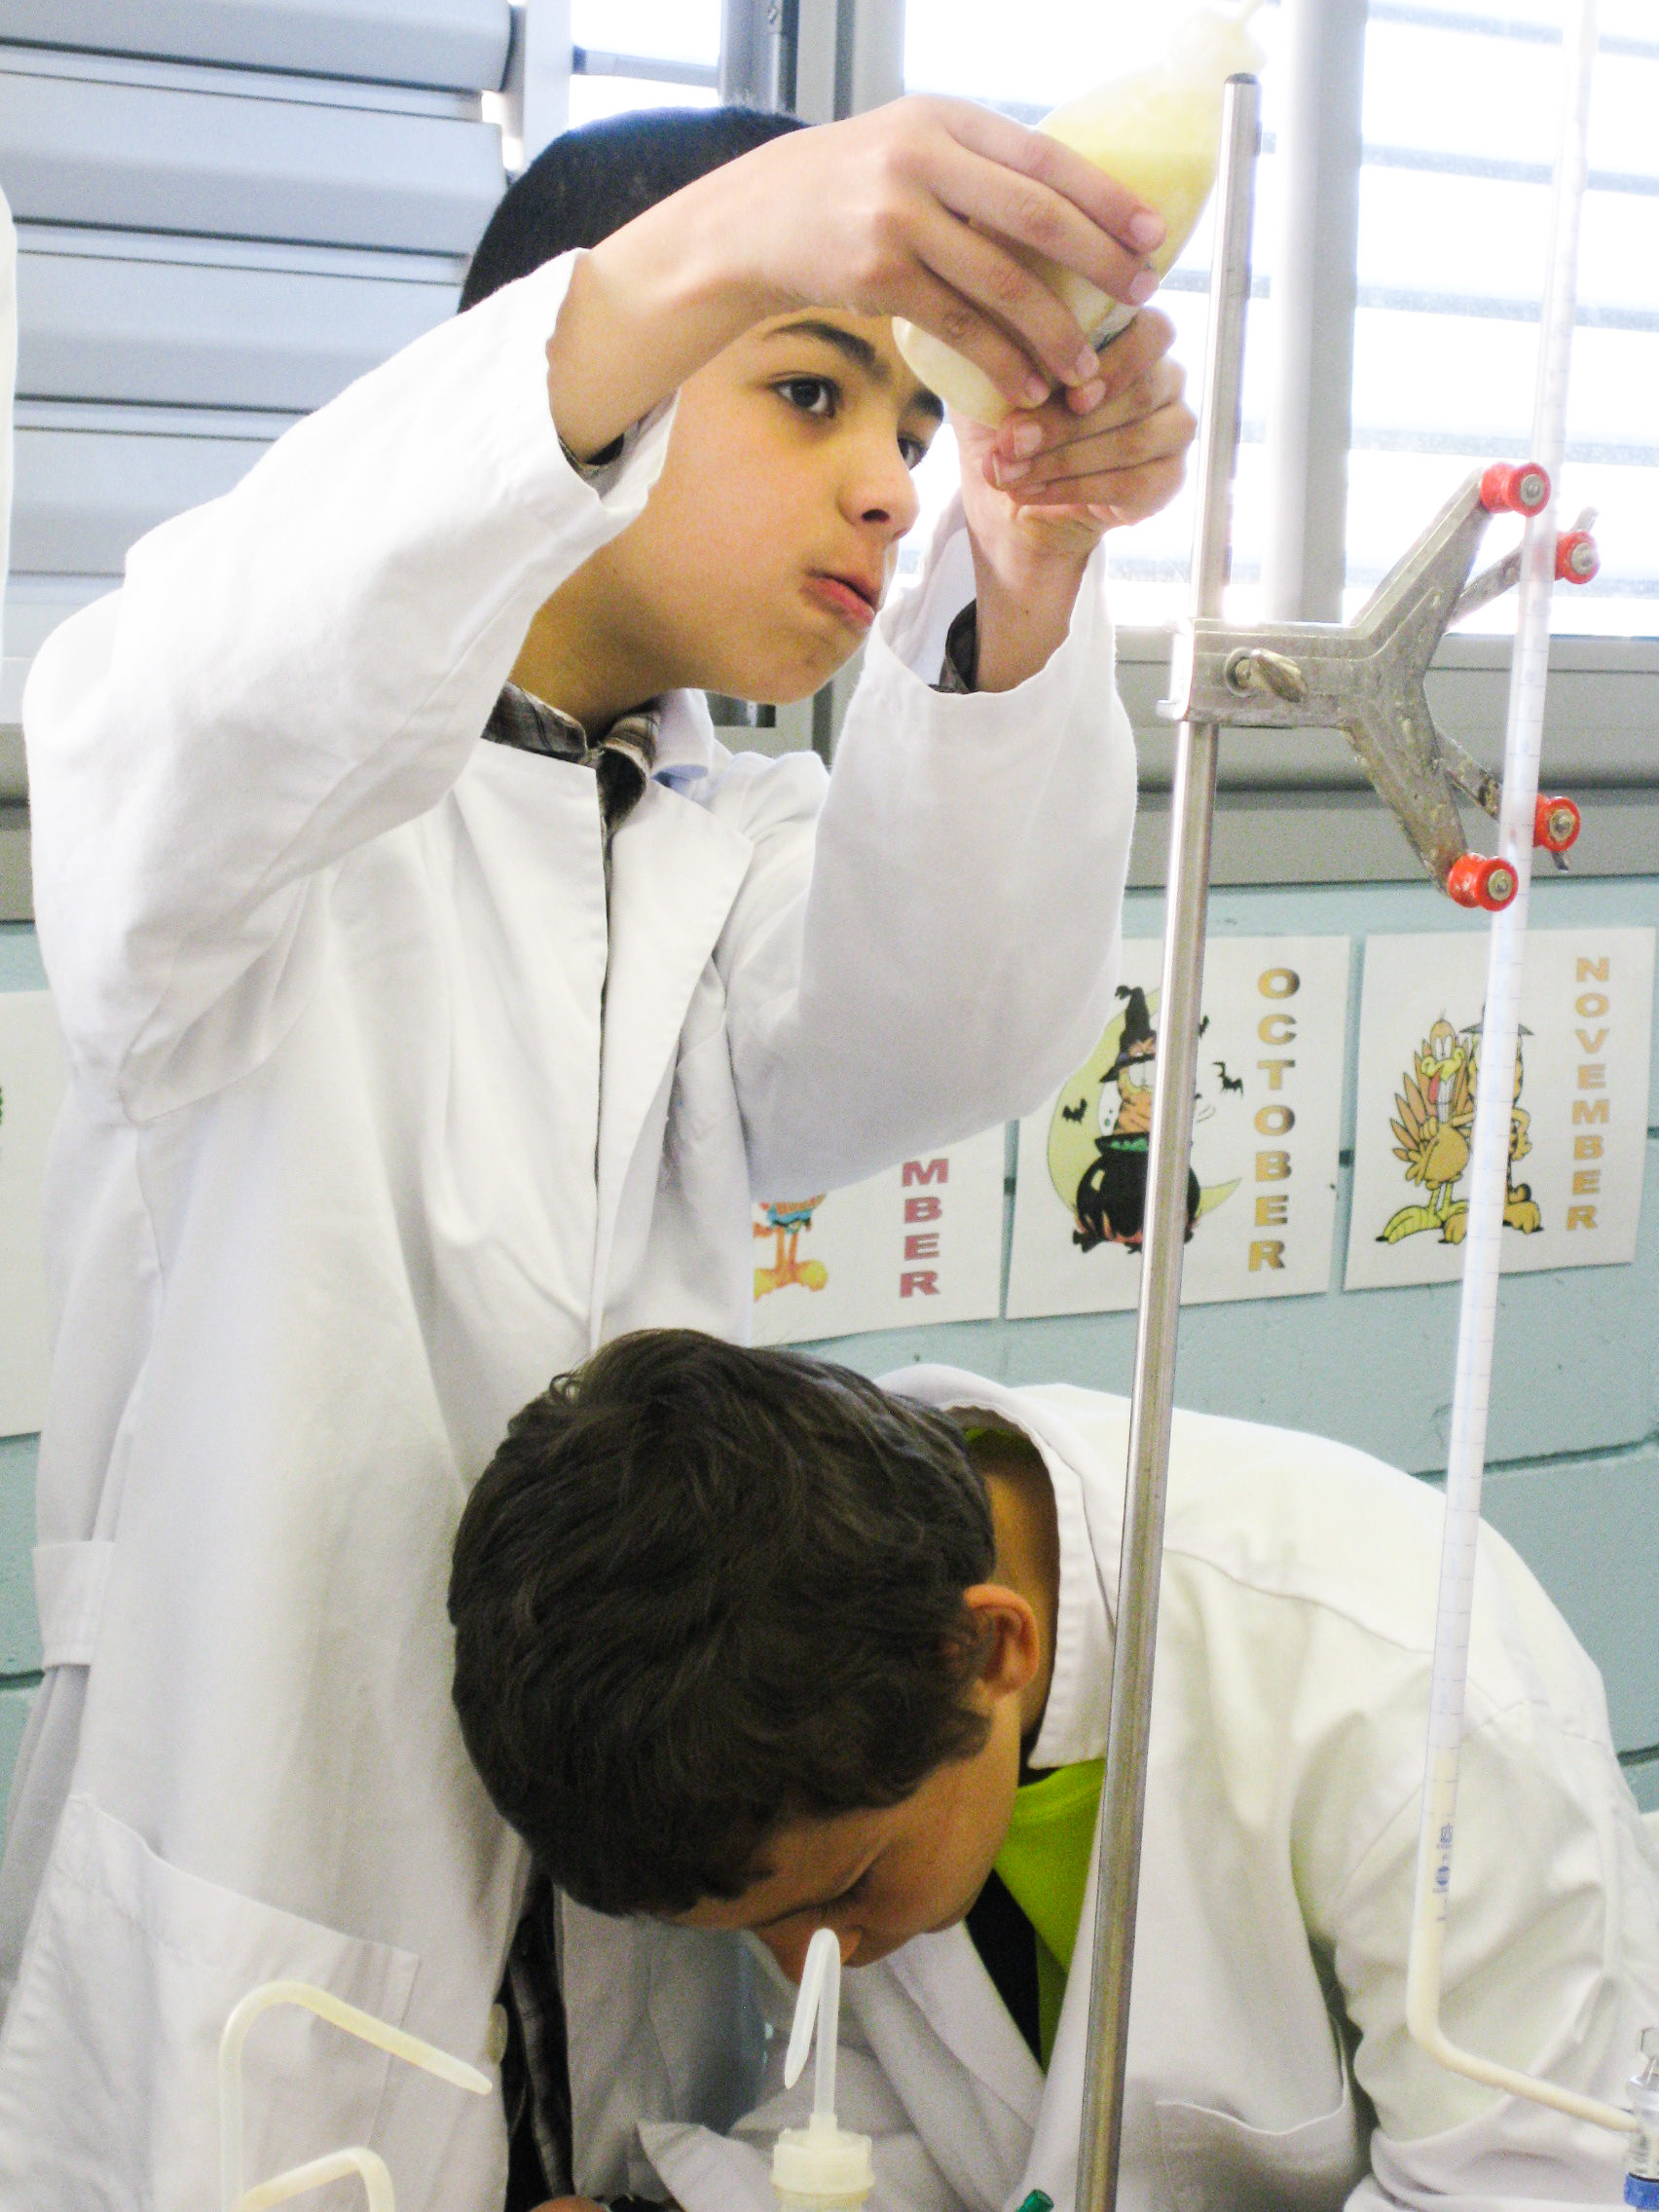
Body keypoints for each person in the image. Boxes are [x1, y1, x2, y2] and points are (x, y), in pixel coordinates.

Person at [0, 95, 1198, 2206]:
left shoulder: (713, 850)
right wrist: (715, 247)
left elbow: (955, 1018)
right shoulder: (240, 812)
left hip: (631, 1890)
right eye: (809, 390)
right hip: (277, 1850)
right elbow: (222, 688)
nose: (882, 481)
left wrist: (1021, 558)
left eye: (913, 427)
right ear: (571, 370)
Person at [451, 1331, 1659, 2212]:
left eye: (846, 1893)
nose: (821, 1957)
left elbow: (1513, 2188)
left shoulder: (1403, 1691)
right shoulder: (810, 1649)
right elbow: (921, 2122)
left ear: (990, 1648)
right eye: (760, 1927)